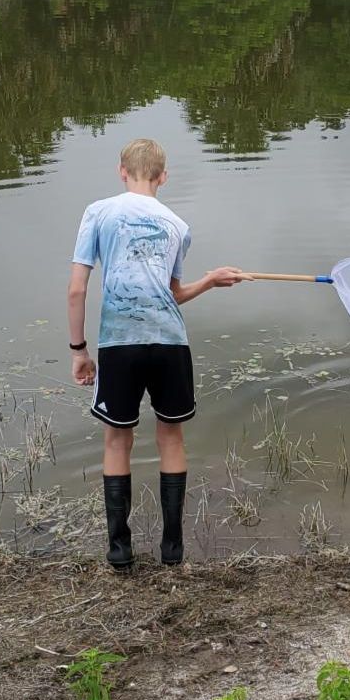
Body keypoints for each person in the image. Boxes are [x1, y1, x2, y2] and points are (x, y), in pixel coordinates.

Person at [68, 138, 241, 571]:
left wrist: (79, 351)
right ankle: (172, 550)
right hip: (169, 344)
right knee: (171, 437)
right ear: (164, 177)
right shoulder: (178, 225)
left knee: (117, 440)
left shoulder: (98, 212)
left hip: (120, 344)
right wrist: (210, 281)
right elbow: (171, 295)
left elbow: (76, 289)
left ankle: (119, 551)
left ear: (121, 171)